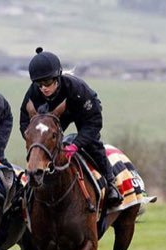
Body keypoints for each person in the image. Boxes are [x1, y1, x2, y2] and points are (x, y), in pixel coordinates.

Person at [20, 47, 123, 207]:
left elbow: (93, 123)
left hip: (83, 113)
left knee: (92, 144)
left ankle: (111, 184)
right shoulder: (34, 92)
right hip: (53, 116)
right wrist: (36, 144)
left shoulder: (78, 89)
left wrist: (75, 145)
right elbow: (26, 124)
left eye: (47, 82)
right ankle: (30, 188)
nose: (43, 88)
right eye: (39, 84)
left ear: (57, 77)